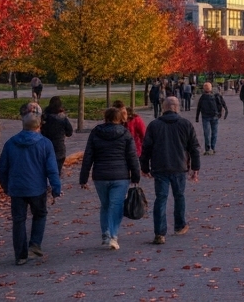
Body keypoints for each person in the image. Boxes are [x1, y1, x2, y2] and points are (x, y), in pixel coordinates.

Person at [0, 112, 62, 265]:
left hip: (17, 188)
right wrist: (56, 187)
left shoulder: (11, 143)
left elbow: (3, 168)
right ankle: (34, 244)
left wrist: (5, 186)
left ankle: (20, 255)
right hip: (37, 188)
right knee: (40, 214)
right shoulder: (45, 143)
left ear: (23, 125)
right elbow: (51, 168)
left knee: (18, 220)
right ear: (39, 126)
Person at [79, 106, 140, 250]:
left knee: (105, 205)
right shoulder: (125, 133)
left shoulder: (95, 133)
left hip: (100, 175)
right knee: (116, 205)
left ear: (105, 117)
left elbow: (88, 156)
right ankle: (113, 235)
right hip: (120, 175)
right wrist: (136, 175)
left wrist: (83, 177)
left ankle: (105, 234)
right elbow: (132, 156)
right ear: (119, 119)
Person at [140, 96, 200, 245]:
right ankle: (179, 226)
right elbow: (194, 148)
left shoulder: (154, 125)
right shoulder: (185, 124)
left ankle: (159, 233)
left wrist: (144, 167)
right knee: (179, 196)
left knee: (161, 198)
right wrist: (195, 168)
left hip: (160, 167)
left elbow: (146, 148)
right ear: (177, 107)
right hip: (179, 166)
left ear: (164, 107)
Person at [40, 97, 74, 176]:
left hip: (45, 146)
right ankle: (55, 186)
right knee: (56, 173)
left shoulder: (45, 116)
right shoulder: (62, 118)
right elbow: (69, 132)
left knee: (44, 171)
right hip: (59, 148)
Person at [194, 82, 227, 154]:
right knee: (214, 133)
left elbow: (199, 107)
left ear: (203, 89)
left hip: (205, 117)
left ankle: (208, 148)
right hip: (215, 116)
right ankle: (213, 147)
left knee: (207, 133)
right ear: (211, 88)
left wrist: (197, 117)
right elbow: (221, 104)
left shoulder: (202, 97)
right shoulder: (215, 96)